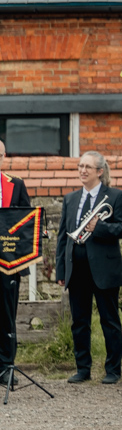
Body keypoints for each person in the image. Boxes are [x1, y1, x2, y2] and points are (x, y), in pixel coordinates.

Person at [54, 151, 122, 384]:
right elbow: (62, 237)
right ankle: (82, 368)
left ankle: (113, 370)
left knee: (109, 320)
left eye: (88, 167)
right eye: (80, 166)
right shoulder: (70, 198)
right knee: (79, 322)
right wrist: (61, 270)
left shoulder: (116, 196)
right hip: (76, 268)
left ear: (99, 171)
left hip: (104, 268)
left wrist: (98, 228)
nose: (82, 170)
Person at [0, 139, 32, 389]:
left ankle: (5, 366)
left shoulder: (16, 184)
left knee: (7, 316)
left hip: (7, 263)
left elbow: (26, 221)